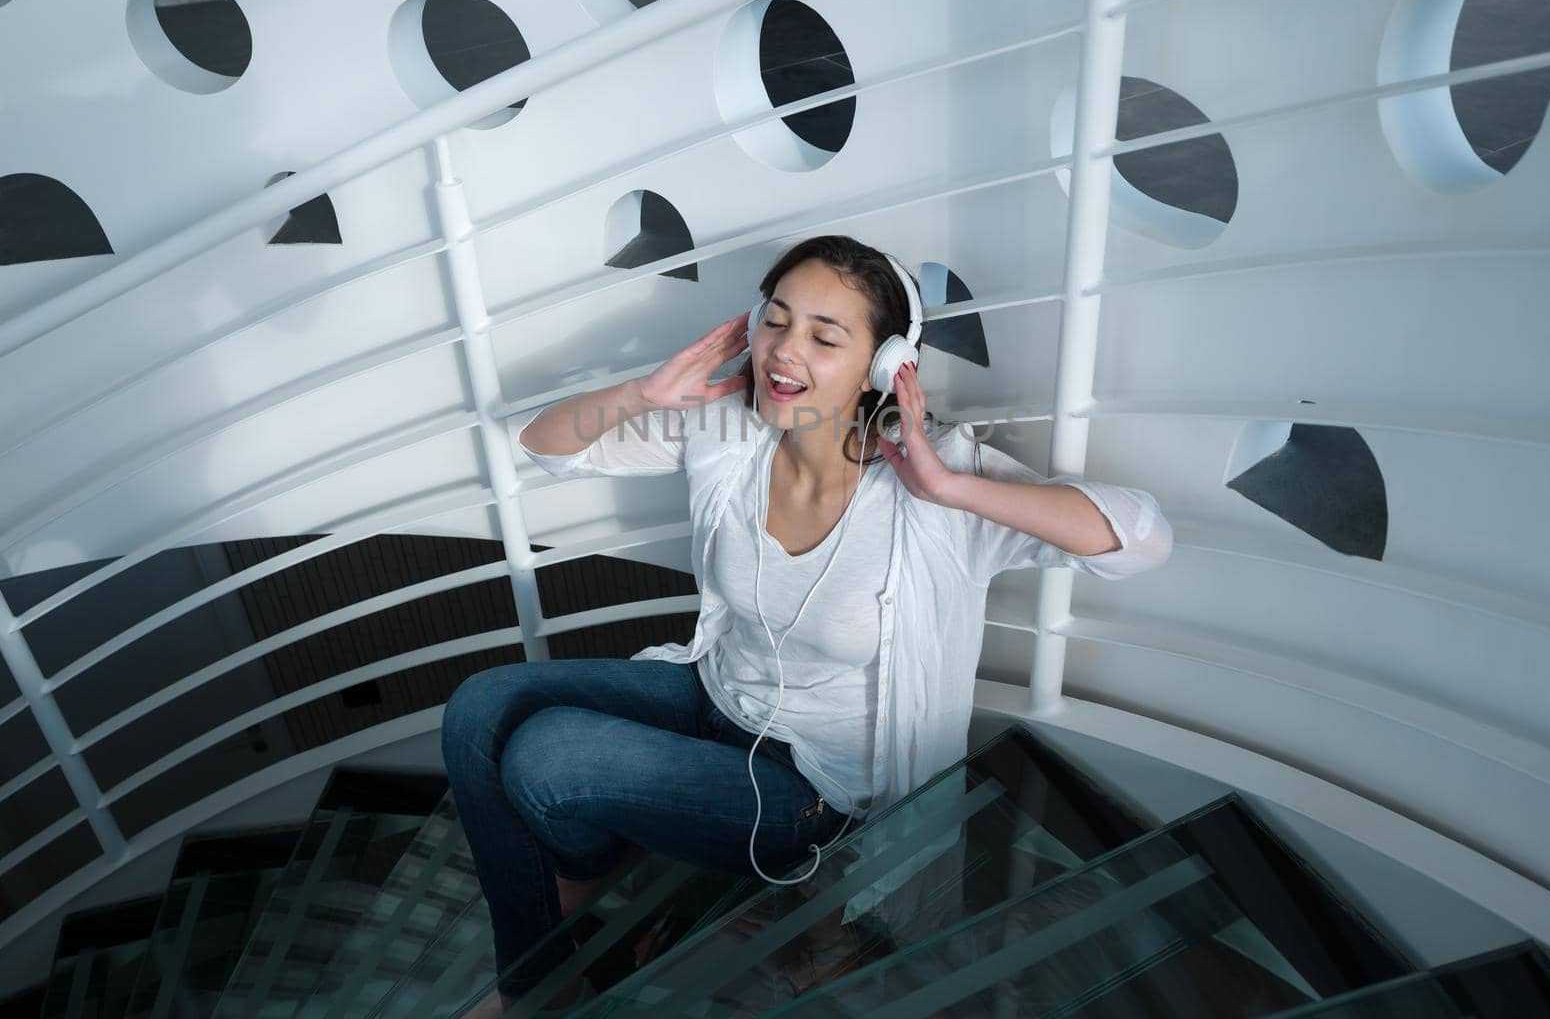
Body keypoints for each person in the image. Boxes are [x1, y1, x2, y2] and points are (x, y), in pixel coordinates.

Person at [440, 234, 1174, 1010]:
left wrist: (953, 491)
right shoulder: (733, 432)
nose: (784, 352)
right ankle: (539, 972)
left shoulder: (935, 484)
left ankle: (575, 901)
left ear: (885, 366)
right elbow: (549, 446)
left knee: (547, 759)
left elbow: (1143, 539)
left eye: (825, 337)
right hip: (715, 695)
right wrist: (644, 395)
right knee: (479, 711)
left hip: (813, 789)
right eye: (776, 322)